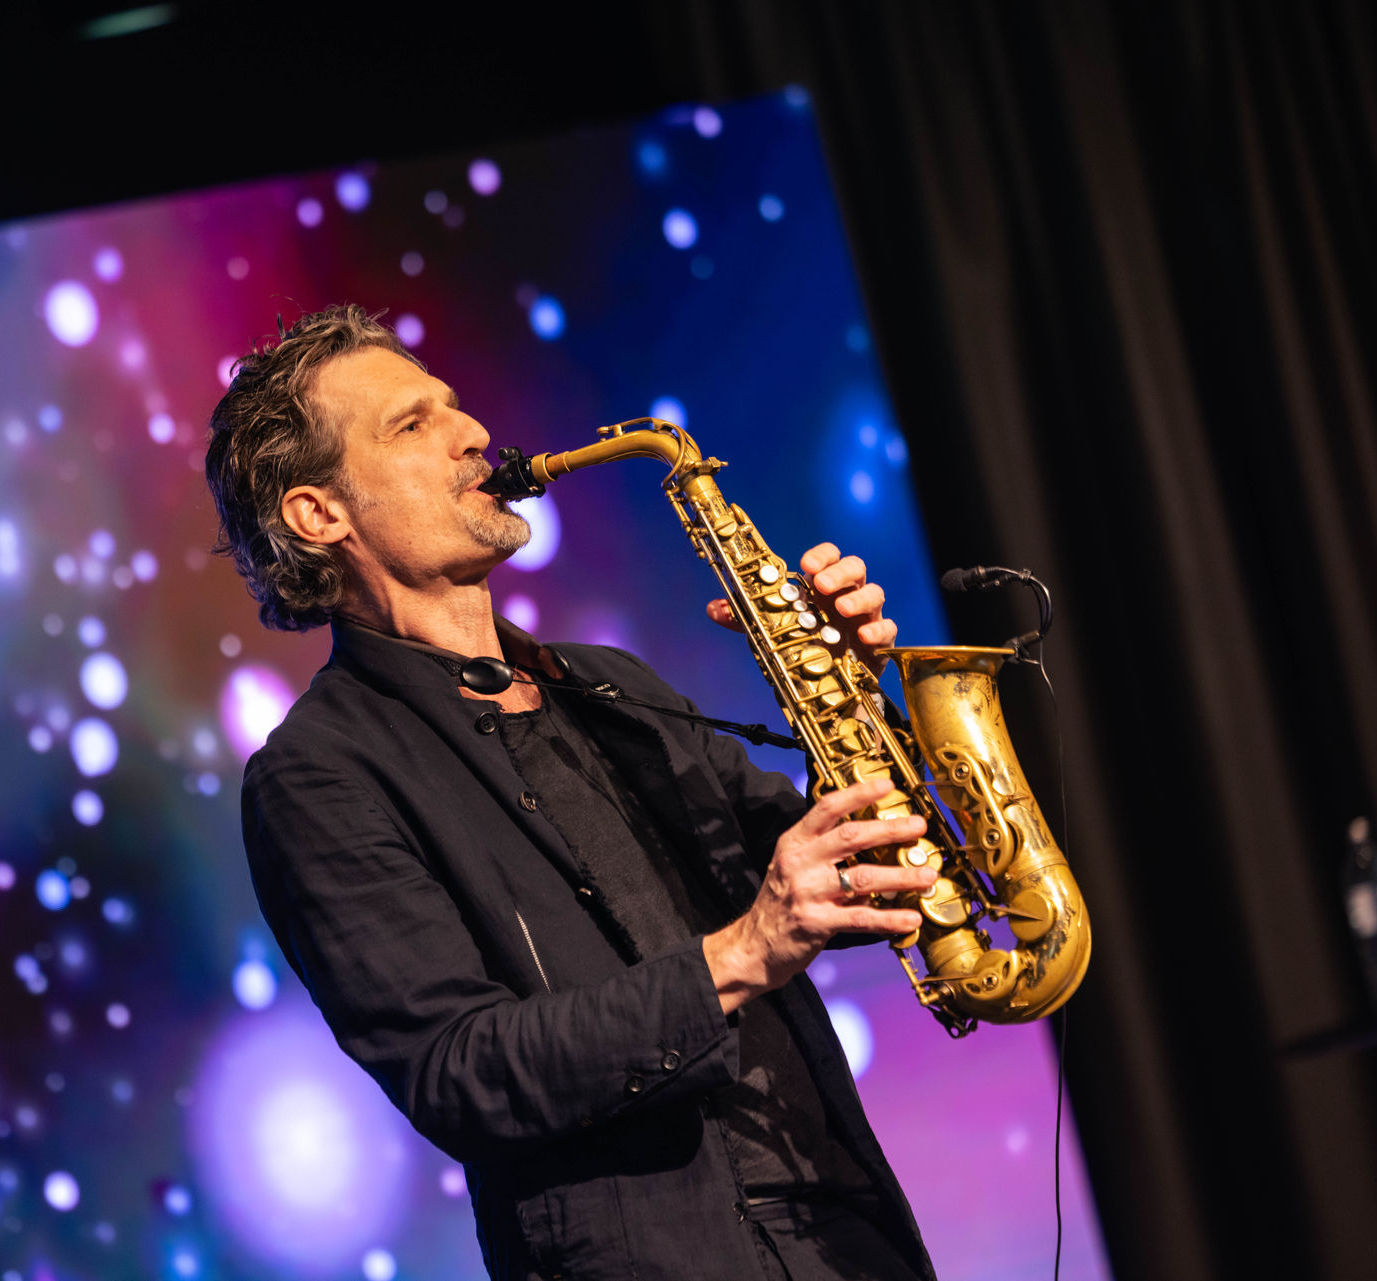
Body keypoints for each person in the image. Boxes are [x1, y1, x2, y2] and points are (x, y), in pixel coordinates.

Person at [206, 304, 941, 1281]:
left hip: (850, 1237)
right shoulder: (319, 775)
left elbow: (861, 874)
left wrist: (855, 698)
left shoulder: (611, 684)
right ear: (319, 514)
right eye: (413, 424)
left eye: (455, 406)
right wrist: (744, 954)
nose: (474, 433)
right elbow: (462, 1073)